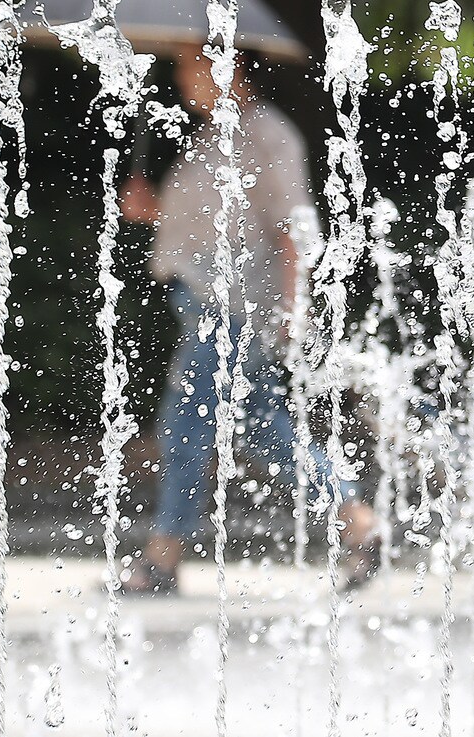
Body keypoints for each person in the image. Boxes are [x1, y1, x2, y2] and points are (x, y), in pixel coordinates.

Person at [118, 43, 379, 594]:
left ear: (227, 67)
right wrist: (153, 210)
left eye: (189, 67)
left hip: (235, 309)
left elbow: (293, 226)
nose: (182, 81)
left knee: (187, 425)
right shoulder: (218, 134)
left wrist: (293, 308)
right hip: (208, 303)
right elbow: (218, 218)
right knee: (265, 427)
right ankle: (354, 520)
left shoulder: (267, 134)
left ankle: (162, 556)